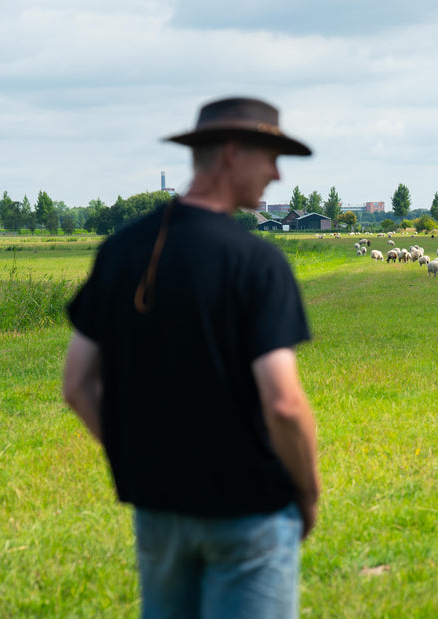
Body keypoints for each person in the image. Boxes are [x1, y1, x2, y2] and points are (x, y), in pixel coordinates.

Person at [62, 96, 320, 618]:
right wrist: (308, 492)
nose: (276, 172)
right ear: (229, 153)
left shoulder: (121, 250)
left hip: (159, 509)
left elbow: (77, 383)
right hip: (250, 510)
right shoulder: (257, 263)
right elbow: (284, 403)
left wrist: (141, 454)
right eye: (269, 154)